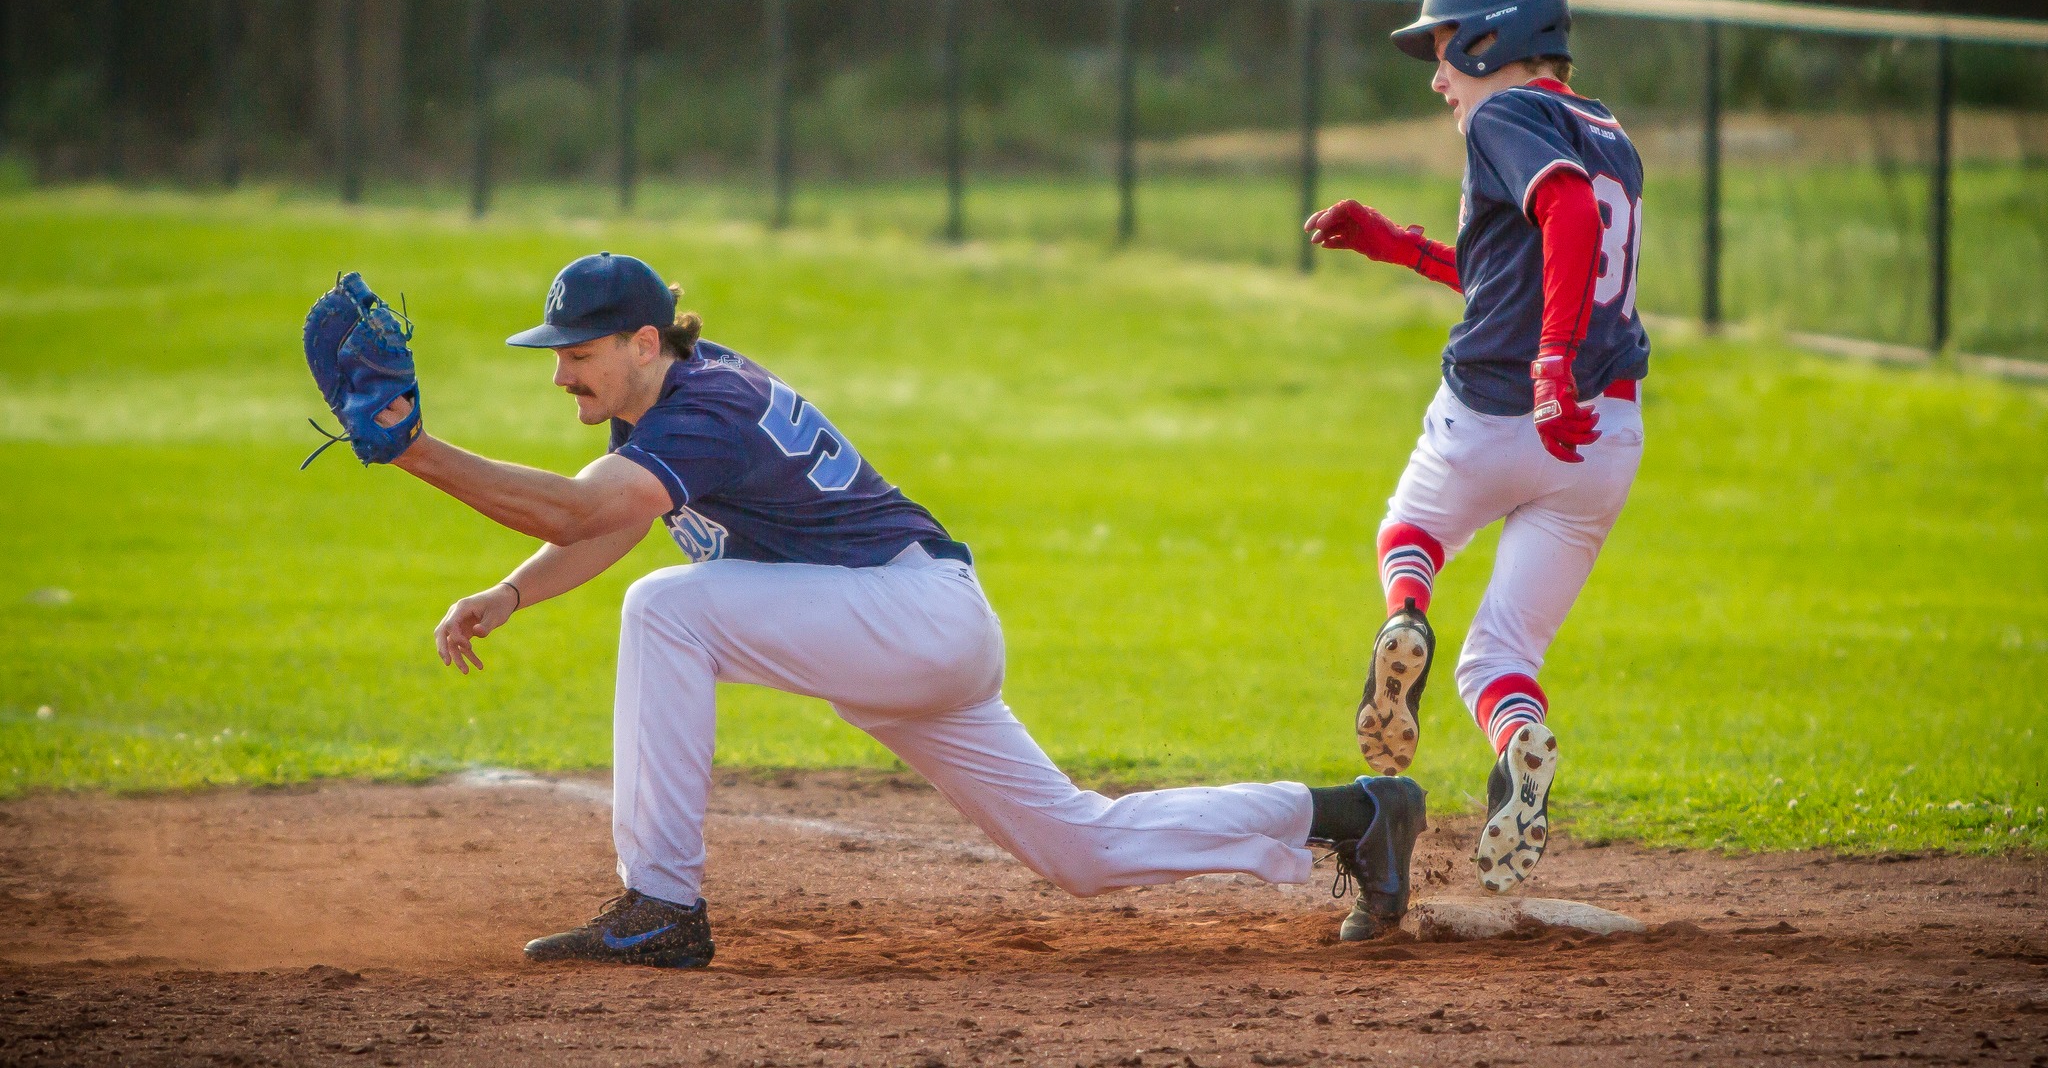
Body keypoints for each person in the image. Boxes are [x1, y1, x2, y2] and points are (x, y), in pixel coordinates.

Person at [364, 250, 1427, 965]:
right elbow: (608, 520)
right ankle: (1355, 813)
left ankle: (661, 905)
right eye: (555, 352)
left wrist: (413, 448)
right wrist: (512, 589)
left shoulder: (706, 408)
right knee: (1082, 851)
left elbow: (582, 507)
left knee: (665, 612)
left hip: (906, 616)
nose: (560, 373)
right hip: (908, 625)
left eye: (578, 351)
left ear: (645, 341)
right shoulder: (671, 405)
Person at [1304, 0, 1649, 893]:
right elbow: (1525, 272)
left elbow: (1567, 214)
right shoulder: (1609, 132)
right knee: (1500, 657)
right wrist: (1402, 247)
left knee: (1409, 535)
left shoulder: (1505, 113)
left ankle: (1406, 616)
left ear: (1496, 41)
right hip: (1602, 435)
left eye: (1447, 48)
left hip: (1502, 407)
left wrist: (1547, 365)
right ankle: (1519, 747)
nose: (1438, 75)